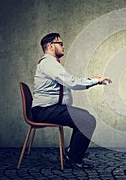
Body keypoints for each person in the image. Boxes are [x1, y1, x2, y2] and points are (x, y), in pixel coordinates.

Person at [31, 33, 111, 169]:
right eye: (60, 44)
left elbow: (69, 81)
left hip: (49, 109)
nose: (63, 46)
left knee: (84, 117)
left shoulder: (51, 64)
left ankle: (72, 153)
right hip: (45, 111)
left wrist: (93, 80)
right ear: (51, 46)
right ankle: (74, 159)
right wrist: (95, 80)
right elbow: (71, 82)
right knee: (87, 120)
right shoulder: (48, 63)